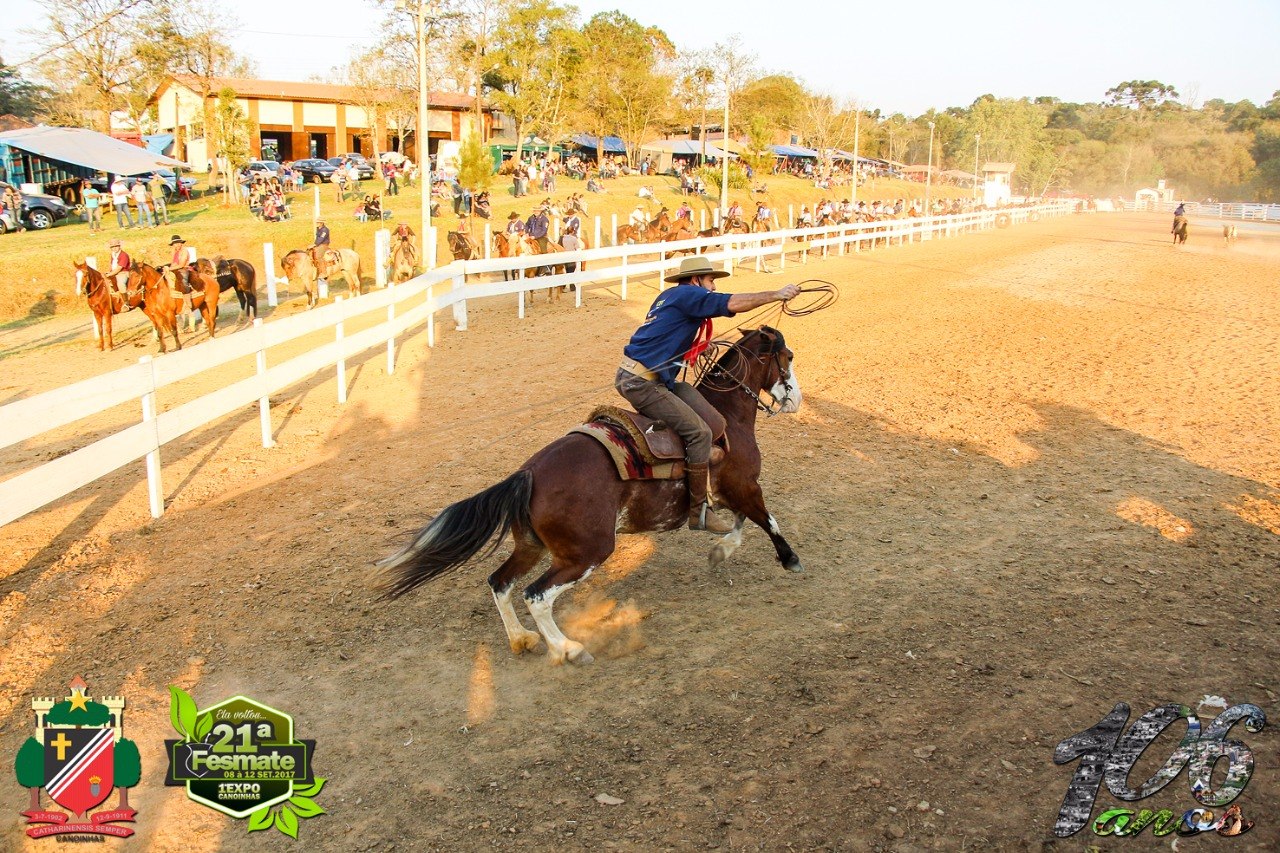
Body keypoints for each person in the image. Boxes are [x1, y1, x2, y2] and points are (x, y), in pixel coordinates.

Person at [616, 256, 799, 532]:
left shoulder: (669, 297)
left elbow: (665, 336)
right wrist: (776, 294)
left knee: (702, 407)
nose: (713, 287)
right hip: (644, 382)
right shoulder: (690, 294)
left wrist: (698, 348)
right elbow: (732, 302)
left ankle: (707, 463)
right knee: (699, 432)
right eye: (711, 280)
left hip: (646, 376)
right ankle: (699, 510)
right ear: (695, 279)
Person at [166, 234, 198, 313]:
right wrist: (167, 269)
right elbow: (173, 262)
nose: (176, 245)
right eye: (174, 244)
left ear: (181, 243)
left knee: (183, 280)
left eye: (177, 243)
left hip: (184, 268)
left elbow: (182, 264)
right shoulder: (174, 251)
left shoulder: (184, 251)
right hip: (175, 268)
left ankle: (188, 302)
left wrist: (170, 268)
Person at [525, 203, 550, 275]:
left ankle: (546, 266)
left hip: (541, 237)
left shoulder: (545, 219)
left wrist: (535, 236)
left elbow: (544, 230)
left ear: (540, 211)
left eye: (537, 211)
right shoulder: (531, 218)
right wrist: (526, 232)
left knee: (543, 248)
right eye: (535, 210)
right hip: (531, 236)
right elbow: (526, 225)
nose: (536, 212)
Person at [313, 220, 331, 293]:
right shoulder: (318, 229)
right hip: (319, 244)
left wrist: (315, 244)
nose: (317, 223)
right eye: (316, 222)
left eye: (318, 222)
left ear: (322, 223)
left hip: (324, 245)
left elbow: (321, 239)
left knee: (318, 256)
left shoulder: (325, 230)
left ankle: (324, 272)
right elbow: (317, 238)